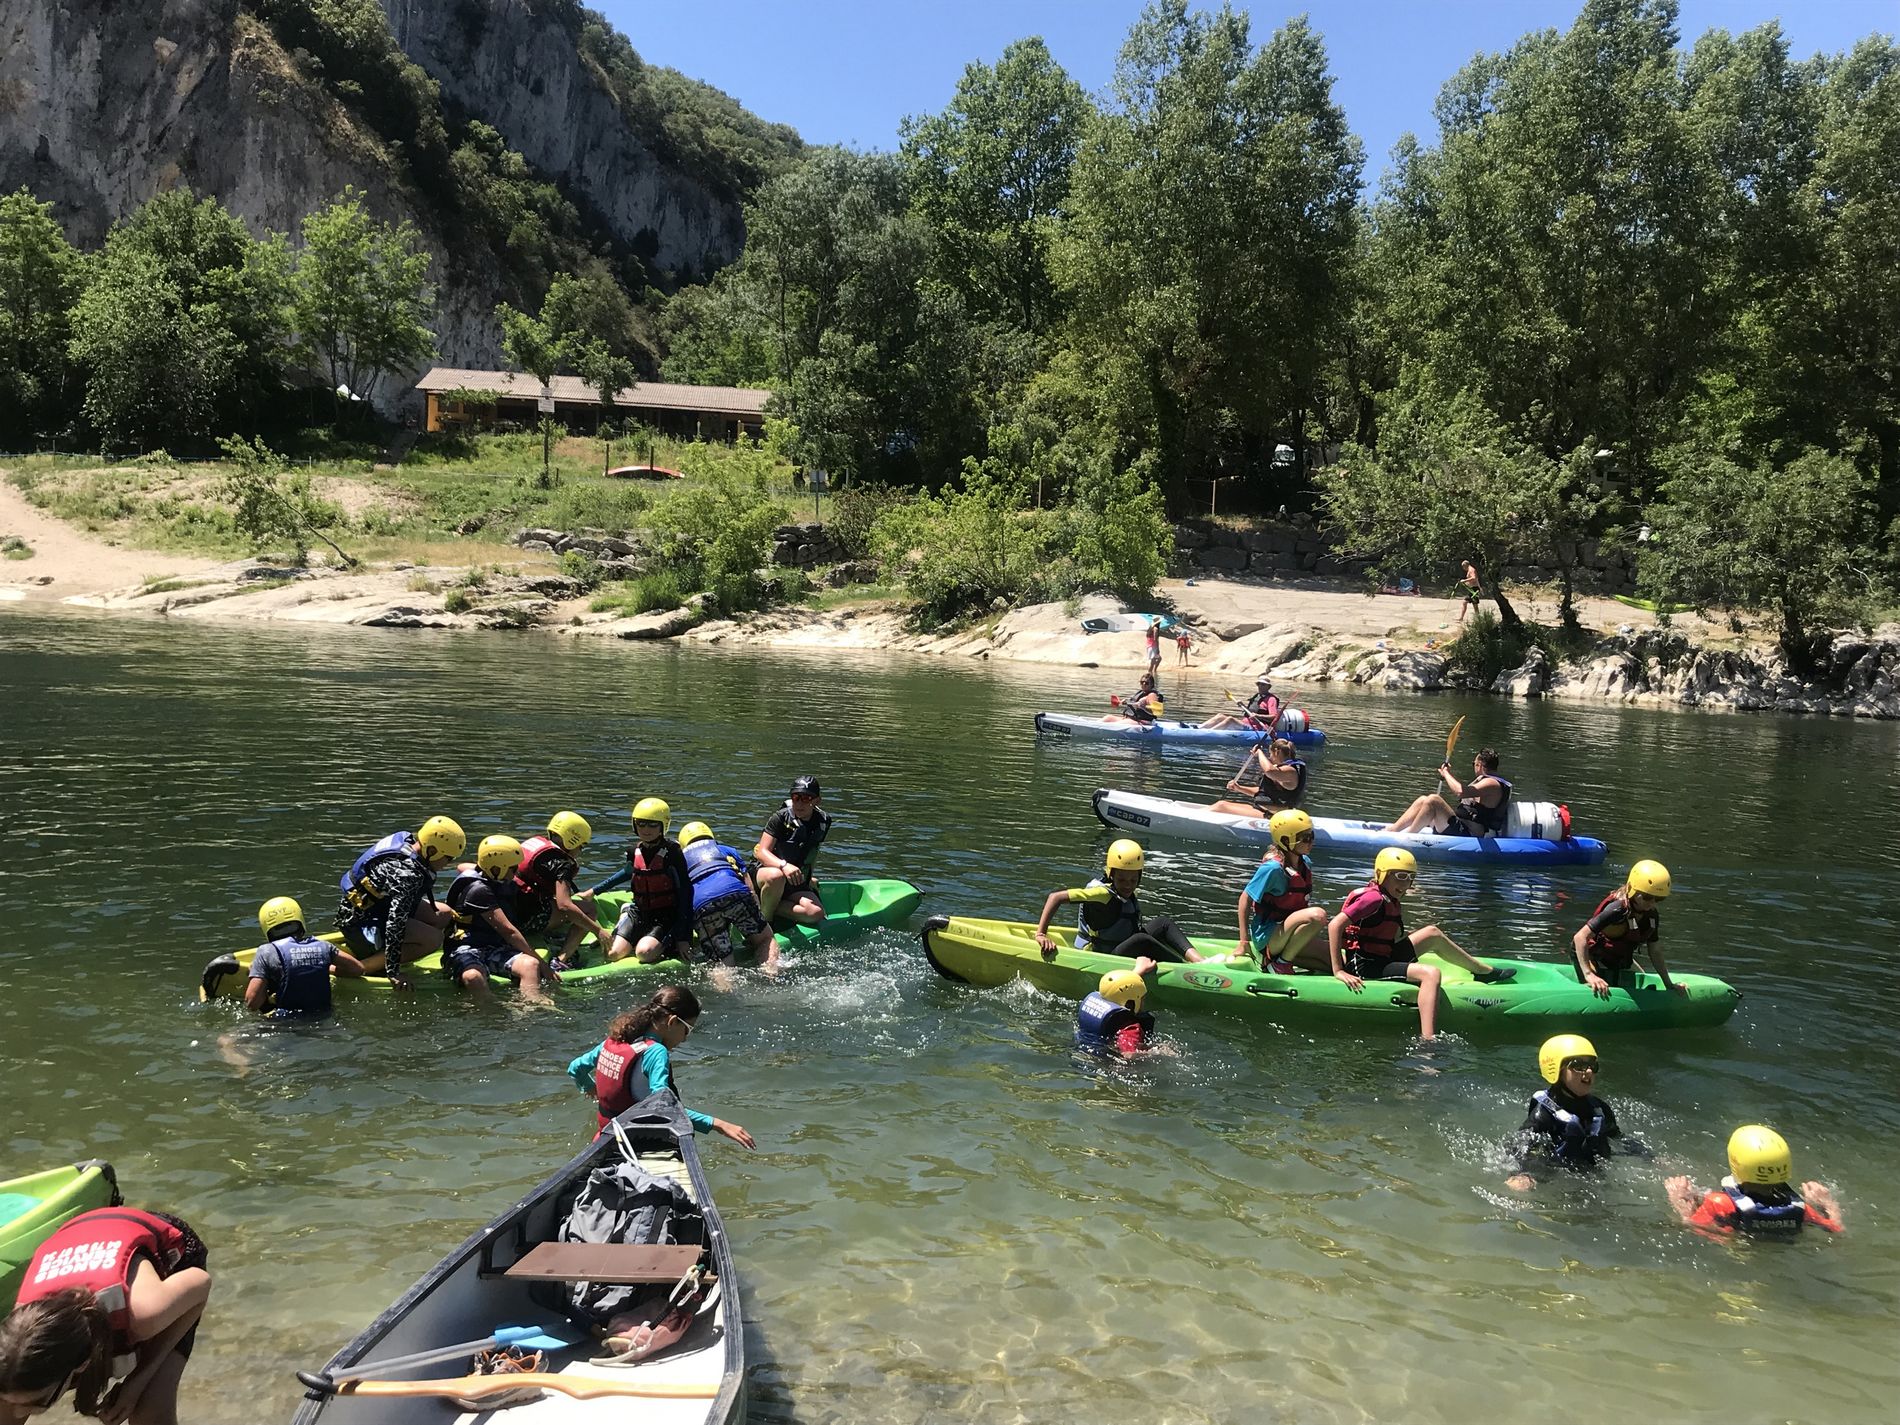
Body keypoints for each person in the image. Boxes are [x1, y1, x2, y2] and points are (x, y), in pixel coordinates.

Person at [0, 1206, 211, 1425]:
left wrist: (137, 1381)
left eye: (38, 1403)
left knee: (148, 1411)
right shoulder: (21, 1334)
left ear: (81, 1365)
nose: (18, 1412)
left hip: (168, 1251)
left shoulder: (144, 1313)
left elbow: (201, 1284)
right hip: (82, 1232)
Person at [1327, 847, 1515, 1039]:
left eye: (1410, 877)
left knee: (1432, 933)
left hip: (1382, 955)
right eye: (1399, 876)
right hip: (1367, 965)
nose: (1405, 883)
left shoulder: (1387, 897)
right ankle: (1428, 1040)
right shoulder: (1373, 898)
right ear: (1381, 874)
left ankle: (1482, 971)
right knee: (1431, 974)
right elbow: (1335, 925)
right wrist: (1339, 970)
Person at [566, 986, 755, 1149]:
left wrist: (590, 1088)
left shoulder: (616, 1039)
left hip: (604, 1137)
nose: (685, 1038)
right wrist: (718, 1124)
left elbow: (575, 1068)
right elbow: (664, 1108)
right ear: (672, 1022)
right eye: (687, 1030)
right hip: (636, 1143)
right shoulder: (656, 1052)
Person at [1504, 1035, 1648, 1191]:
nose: (1588, 1071)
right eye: (1578, 1065)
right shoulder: (1543, 1115)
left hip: (1594, 1178)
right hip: (1558, 1179)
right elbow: (1518, 1145)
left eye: (1592, 1066)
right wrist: (1521, 1174)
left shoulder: (1600, 1109)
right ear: (1557, 1070)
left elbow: (1618, 1137)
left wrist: (1649, 1156)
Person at [334, 815, 464, 986]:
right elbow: (395, 924)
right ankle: (364, 966)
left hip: (375, 908)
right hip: (361, 924)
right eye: (449, 858)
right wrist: (394, 972)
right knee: (433, 939)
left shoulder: (406, 840)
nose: (448, 863)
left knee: (445, 914)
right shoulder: (408, 875)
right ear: (432, 851)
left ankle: (394, 952)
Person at [1033, 839, 1207, 964]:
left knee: (1163, 923)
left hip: (1121, 944)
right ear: (1111, 875)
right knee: (1141, 940)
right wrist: (1041, 934)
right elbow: (1055, 897)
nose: (1128, 885)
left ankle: (1199, 960)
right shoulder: (1101, 893)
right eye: (1122, 880)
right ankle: (1189, 971)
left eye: (1133, 880)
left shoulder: (1126, 889)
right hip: (1102, 954)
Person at [1665, 1126, 1843, 1237]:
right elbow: (1836, 1230)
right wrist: (1828, 1203)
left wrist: (1680, 1201)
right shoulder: (1800, 1209)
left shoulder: (1719, 1202)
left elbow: (1691, 1226)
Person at [443, 835, 556, 1002]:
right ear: (497, 869)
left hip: (494, 947)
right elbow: (508, 931)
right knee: (473, 977)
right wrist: (545, 966)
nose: (517, 871)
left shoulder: (496, 877)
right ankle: (491, 1013)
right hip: (465, 948)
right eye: (513, 867)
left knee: (530, 965)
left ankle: (531, 1005)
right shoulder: (479, 891)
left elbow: (463, 866)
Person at [511, 811, 613, 968]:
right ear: (573, 842)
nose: (580, 851)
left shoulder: (532, 844)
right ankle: (561, 961)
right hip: (526, 918)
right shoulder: (561, 864)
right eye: (581, 846)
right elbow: (564, 905)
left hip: (508, 910)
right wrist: (598, 931)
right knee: (588, 910)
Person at [1573, 859, 1684, 997]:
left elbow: (1655, 951)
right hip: (1593, 955)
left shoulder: (1651, 916)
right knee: (1601, 988)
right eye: (1647, 897)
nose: (1652, 903)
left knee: (1640, 982)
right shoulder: (1617, 910)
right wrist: (1589, 974)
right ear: (1633, 890)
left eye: (1658, 899)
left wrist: (1669, 984)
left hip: (1618, 958)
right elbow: (1579, 937)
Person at [677, 821, 779, 973]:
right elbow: (749, 888)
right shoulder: (726, 849)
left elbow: (681, 898)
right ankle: (771, 976)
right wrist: (756, 915)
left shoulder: (680, 859)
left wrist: (683, 938)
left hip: (703, 905)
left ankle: (727, 993)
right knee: (765, 939)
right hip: (736, 893)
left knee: (720, 962)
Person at [1237, 810, 1329, 972]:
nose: (1311, 842)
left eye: (1312, 836)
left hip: (1289, 935)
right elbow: (1245, 899)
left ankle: (1275, 961)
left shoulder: (1305, 862)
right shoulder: (1272, 869)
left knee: (1336, 963)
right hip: (1268, 937)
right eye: (1305, 838)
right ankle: (1280, 964)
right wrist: (1244, 942)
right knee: (1318, 916)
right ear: (1286, 840)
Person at [244, 896, 365, 1019]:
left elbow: (252, 1003)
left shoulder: (266, 952)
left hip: (284, 1023)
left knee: (228, 1038)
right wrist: (327, 969)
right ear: (300, 921)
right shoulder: (324, 947)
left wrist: (262, 976)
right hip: (324, 1019)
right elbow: (357, 969)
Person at [607, 799, 694, 964]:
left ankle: (665, 940)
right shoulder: (633, 852)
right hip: (639, 912)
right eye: (641, 824)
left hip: (666, 916)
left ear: (663, 826)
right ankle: (625, 916)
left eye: (653, 825)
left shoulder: (673, 853)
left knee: (643, 953)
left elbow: (685, 893)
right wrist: (594, 891)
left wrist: (683, 938)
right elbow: (625, 873)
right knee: (613, 954)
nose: (646, 829)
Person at [751, 776, 831, 927]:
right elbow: (761, 852)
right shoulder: (780, 818)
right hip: (766, 874)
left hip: (792, 879)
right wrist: (784, 865)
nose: (799, 803)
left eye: (806, 798)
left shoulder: (823, 821)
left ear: (817, 801)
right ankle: (764, 925)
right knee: (776, 876)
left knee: (816, 913)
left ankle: (766, 903)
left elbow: (813, 851)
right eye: (795, 797)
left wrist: (808, 878)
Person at [1383, 748, 1511, 837]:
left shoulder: (1491, 783)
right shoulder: (1487, 781)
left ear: (1480, 765)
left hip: (1469, 833)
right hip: (1460, 826)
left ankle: (1410, 836)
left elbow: (1460, 791)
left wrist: (1446, 773)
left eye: (1474, 764)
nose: (1474, 767)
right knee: (1423, 799)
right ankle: (1393, 830)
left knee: (1434, 800)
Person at [1075, 965, 1160, 1056]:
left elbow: (1118, 987)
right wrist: (1156, 1051)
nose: (1143, 1002)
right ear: (1130, 1002)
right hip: (1104, 1062)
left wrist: (1138, 971)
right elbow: (1128, 1054)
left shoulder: (1100, 1003)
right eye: (1142, 998)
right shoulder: (1130, 1029)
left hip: (1080, 1051)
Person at [1210, 736, 1306, 816]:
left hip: (1276, 817)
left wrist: (1259, 752)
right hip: (1264, 811)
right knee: (1220, 804)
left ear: (1277, 752)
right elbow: (1264, 792)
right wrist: (1239, 788)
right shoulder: (1281, 771)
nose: (1269, 757)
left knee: (1221, 806)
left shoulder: (1291, 771)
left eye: (1271, 754)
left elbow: (1269, 771)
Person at [1200, 675, 1281, 731]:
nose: (1260, 686)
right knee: (1219, 716)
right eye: (1259, 684)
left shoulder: (1271, 699)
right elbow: (1251, 711)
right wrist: (1243, 706)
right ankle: (1199, 728)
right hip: (1245, 723)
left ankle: (1208, 733)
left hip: (1257, 727)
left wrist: (1258, 716)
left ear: (1268, 687)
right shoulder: (1257, 696)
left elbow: (1274, 716)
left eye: (1263, 684)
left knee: (1230, 719)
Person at [1456, 559, 1482, 624]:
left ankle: (1462, 618)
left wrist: (1465, 580)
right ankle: (1477, 619)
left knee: (1466, 603)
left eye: (1463, 567)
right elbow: (1475, 579)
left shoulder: (1471, 570)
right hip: (1472, 589)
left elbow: (1474, 578)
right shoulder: (1470, 570)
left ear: (1465, 565)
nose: (1463, 568)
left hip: (1474, 590)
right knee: (1474, 604)